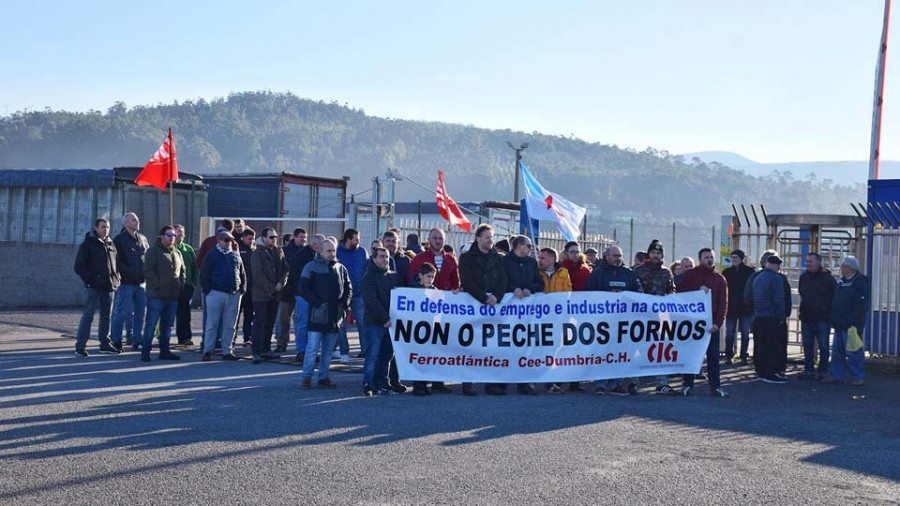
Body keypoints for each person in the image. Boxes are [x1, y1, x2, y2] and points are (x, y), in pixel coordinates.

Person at [585, 245, 642, 395]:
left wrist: (625, 295)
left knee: (620, 352)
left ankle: (614, 383)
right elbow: (589, 293)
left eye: (619, 255)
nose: (617, 258)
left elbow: (638, 292)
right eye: (614, 255)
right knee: (600, 351)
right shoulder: (598, 273)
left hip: (623, 321)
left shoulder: (629, 273)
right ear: (607, 256)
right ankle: (599, 383)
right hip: (603, 321)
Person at [459, 224, 508, 396]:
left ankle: (491, 382)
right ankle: (467, 382)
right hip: (475, 303)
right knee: (471, 344)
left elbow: (503, 279)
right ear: (478, 238)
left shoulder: (499, 258)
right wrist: (483, 298)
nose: (490, 240)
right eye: (487, 237)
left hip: (493, 304)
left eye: (492, 237)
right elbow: (467, 281)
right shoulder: (466, 258)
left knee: (492, 345)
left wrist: (496, 296)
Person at [298, 239, 352, 389]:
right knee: (312, 348)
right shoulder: (311, 267)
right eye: (329, 251)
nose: (332, 253)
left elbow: (348, 288)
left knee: (328, 350)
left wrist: (344, 304)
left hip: (335, 315)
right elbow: (303, 288)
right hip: (318, 315)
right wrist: (317, 302)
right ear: (320, 252)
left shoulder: (341, 268)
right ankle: (307, 377)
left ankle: (323, 376)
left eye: (333, 250)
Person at [677, 248, 729, 397]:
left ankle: (715, 386)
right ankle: (687, 384)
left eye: (711, 257)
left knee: (713, 357)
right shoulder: (690, 275)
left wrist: (717, 324)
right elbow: (679, 292)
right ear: (700, 259)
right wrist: (696, 290)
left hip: (711, 325)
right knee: (691, 355)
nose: (709, 260)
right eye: (706, 257)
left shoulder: (720, 279)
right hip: (693, 324)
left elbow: (723, 304)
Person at [635, 239, 678, 395]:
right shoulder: (639, 271)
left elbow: (671, 291)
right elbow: (635, 294)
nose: (655, 255)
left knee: (661, 349)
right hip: (642, 316)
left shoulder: (666, 272)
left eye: (658, 253)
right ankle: (634, 381)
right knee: (639, 349)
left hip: (662, 317)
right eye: (653, 252)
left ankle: (662, 382)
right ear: (648, 254)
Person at [503, 235, 545, 395]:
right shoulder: (504, 261)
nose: (530, 248)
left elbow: (539, 282)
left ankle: (523, 383)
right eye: (528, 245)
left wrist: (530, 289)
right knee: (506, 346)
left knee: (526, 346)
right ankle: (501, 383)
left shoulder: (532, 262)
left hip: (527, 314)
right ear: (519, 246)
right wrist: (513, 289)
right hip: (508, 313)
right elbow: (501, 281)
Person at [73, 218, 121, 356]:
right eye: (103, 227)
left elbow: (116, 265)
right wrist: (92, 280)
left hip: (109, 286)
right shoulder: (88, 244)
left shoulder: (111, 244)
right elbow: (79, 267)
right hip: (93, 287)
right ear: (96, 228)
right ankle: (80, 346)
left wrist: (116, 279)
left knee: (106, 317)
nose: (105, 229)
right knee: (88, 316)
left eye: (107, 227)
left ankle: (105, 344)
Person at [822, 257, 869, 386]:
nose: (841, 268)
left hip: (852, 325)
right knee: (837, 352)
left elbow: (861, 305)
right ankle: (837, 376)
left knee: (853, 352)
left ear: (850, 267)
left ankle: (858, 377)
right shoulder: (842, 281)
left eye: (843, 266)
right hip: (840, 323)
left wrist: (853, 321)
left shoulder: (860, 283)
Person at [200, 230, 246, 361]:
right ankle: (208, 350)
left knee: (230, 325)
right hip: (216, 293)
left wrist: (241, 290)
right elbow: (204, 275)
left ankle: (227, 350)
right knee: (212, 324)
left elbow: (242, 273)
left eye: (230, 240)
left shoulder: (235, 255)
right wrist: (208, 291)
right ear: (219, 241)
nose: (228, 243)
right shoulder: (211, 255)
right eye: (226, 240)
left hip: (233, 294)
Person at [141, 226, 185, 362]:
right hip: (156, 296)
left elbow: (182, 271)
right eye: (169, 234)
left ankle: (164, 351)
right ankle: (145, 351)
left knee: (167, 325)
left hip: (172, 296)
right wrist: (157, 285)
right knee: (151, 324)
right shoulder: (153, 251)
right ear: (161, 236)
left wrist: (180, 285)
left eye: (174, 235)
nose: (172, 237)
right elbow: (148, 271)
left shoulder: (177, 252)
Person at [361, 247, 399, 396]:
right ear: (374, 258)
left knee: (386, 356)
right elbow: (371, 301)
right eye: (382, 256)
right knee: (372, 355)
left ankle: (383, 383)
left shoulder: (394, 276)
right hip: (374, 323)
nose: (385, 259)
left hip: (391, 323)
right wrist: (385, 318)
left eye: (387, 256)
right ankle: (368, 384)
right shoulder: (368, 277)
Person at [538, 247, 575, 394]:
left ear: (552, 259)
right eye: (539, 258)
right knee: (539, 348)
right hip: (540, 317)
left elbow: (568, 293)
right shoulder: (536, 273)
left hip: (558, 317)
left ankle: (551, 379)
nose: (539, 260)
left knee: (555, 348)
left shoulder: (563, 273)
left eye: (543, 258)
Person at [111, 212, 149, 352]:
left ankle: (136, 339)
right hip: (126, 283)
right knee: (122, 312)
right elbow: (116, 262)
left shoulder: (143, 239)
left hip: (141, 283)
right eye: (134, 220)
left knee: (140, 313)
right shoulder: (119, 240)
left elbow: (147, 258)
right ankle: (116, 340)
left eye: (137, 220)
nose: (137, 222)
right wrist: (125, 274)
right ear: (126, 223)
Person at [251, 227, 289, 363]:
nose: (274, 239)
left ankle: (266, 349)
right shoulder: (257, 253)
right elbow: (257, 274)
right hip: (261, 294)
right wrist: (272, 288)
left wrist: (281, 283)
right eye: (271, 237)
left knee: (270, 322)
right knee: (259, 322)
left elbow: (285, 269)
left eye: (275, 237)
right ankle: (256, 351)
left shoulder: (279, 251)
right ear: (264, 238)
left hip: (276, 294)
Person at [751, 255, 791, 384]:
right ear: (777, 265)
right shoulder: (776, 278)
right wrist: (781, 317)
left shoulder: (758, 277)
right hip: (771, 318)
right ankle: (771, 373)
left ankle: (761, 372)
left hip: (758, 317)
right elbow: (778, 300)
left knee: (761, 347)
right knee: (772, 347)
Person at [798, 252, 837, 380]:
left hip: (823, 318)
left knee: (824, 346)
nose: (808, 263)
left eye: (811, 261)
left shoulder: (828, 278)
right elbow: (801, 293)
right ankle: (808, 370)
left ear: (818, 262)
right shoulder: (803, 277)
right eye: (807, 261)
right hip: (807, 317)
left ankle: (823, 370)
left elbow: (834, 296)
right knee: (807, 346)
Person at [336, 228, 368, 363]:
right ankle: (344, 352)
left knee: (362, 323)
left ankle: (366, 351)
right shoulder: (337, 252)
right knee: (341, 324)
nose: (358, 241)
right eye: (356, 239)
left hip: (358, 293)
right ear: (348, 239)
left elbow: (366, 270)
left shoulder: (362, 252)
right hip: (341, 294)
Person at [292, 234, 324, 363]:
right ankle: (301, 351)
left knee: (313, 324)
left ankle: (310, 351)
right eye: (321, 245)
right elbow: (299, 276)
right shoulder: (303, 255)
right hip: (303, 294)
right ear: (314, 244)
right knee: (303, 323)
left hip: (314, 294)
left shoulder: (317, 256)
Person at [276, 228, 307, 353]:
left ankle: (302, 346)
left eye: (305, 237)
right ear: (294, 237)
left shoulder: (306, 252)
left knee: (301, 318)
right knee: (283, 318)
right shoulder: (285, 251)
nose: (303, 240)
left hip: (301, 289)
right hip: (287, 290)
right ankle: (282, 343)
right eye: (301, 237)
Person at [723, 249, 754, 365]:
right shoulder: (727, 272)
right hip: (730, 307)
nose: (734, 259)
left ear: (741, 258)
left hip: (745, 308)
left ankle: (743, 356)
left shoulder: (749, 272)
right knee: (730, 333)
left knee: (745, 333)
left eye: (736, 257)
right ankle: (728, 355)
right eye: (732, 257)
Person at [173, 225, 198, 346]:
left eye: (182, 233)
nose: (180, 235)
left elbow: (194, 267)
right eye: (178, 233)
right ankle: (162, 336)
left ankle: (185, 337)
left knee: (184, 313)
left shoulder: (188, 249)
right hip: (171, 286)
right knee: (167, 312)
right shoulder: (169, 248)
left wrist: (194, 283)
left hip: (186, 285)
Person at [237, 228, 256, 347]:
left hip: (251, 289)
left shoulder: (255, 251)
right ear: (243, 238)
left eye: (253, 239)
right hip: (239, 288)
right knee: (236, 315)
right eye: (249, 239)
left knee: (249, 315)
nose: (251, 241)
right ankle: (232, 339)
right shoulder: (238, 249)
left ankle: (247, 338)